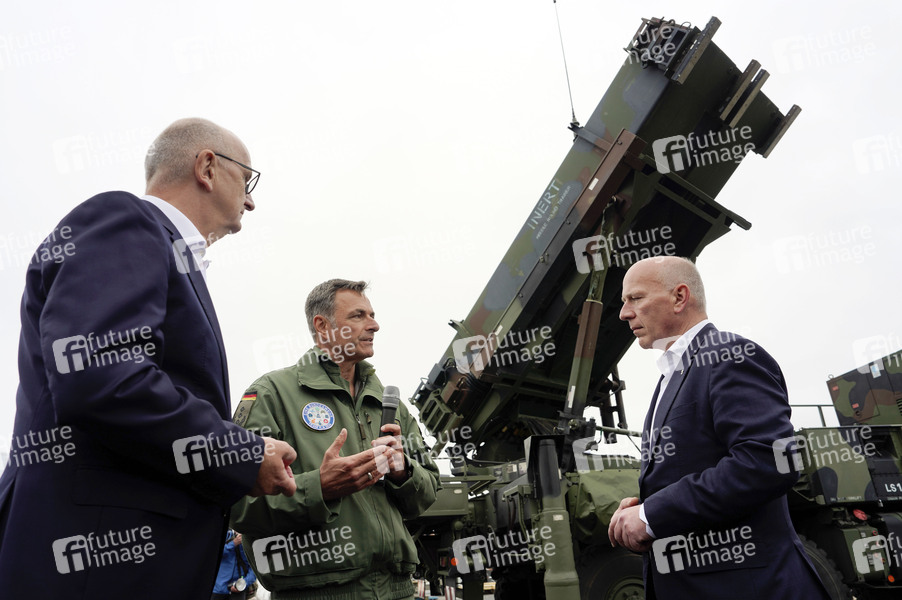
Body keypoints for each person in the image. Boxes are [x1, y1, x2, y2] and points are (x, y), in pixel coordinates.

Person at [0, 118, 297, 599]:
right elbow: (101, 376)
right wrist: (243, 454)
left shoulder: (165, 251)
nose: (250, 201)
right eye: (247, 179)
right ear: (207, 167)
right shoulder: (127, 220)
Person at [607, 257, 830, 600]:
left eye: (635, 298)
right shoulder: (672, 375)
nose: (624, 313)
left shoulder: (729, 355)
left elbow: (768, 462)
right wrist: (644, 505)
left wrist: (651, 514)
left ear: (679, 297)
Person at [231, 279, 441, 600]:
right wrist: (319, 488)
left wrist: (403, 471)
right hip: (315, 593)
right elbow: (237, 505)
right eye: (358, 315)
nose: (374, 325)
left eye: (372, 315)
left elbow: (427, 494)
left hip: (398, 590)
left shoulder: (389, 403)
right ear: (322, 326)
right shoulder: (271, 394)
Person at [213, 530, 257, 600]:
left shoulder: (249, 541)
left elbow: (254, 568)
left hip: (238, 588)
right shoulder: (225, 536)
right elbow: (213, 554)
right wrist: (233, 543)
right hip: (218, 589)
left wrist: (244, 583)